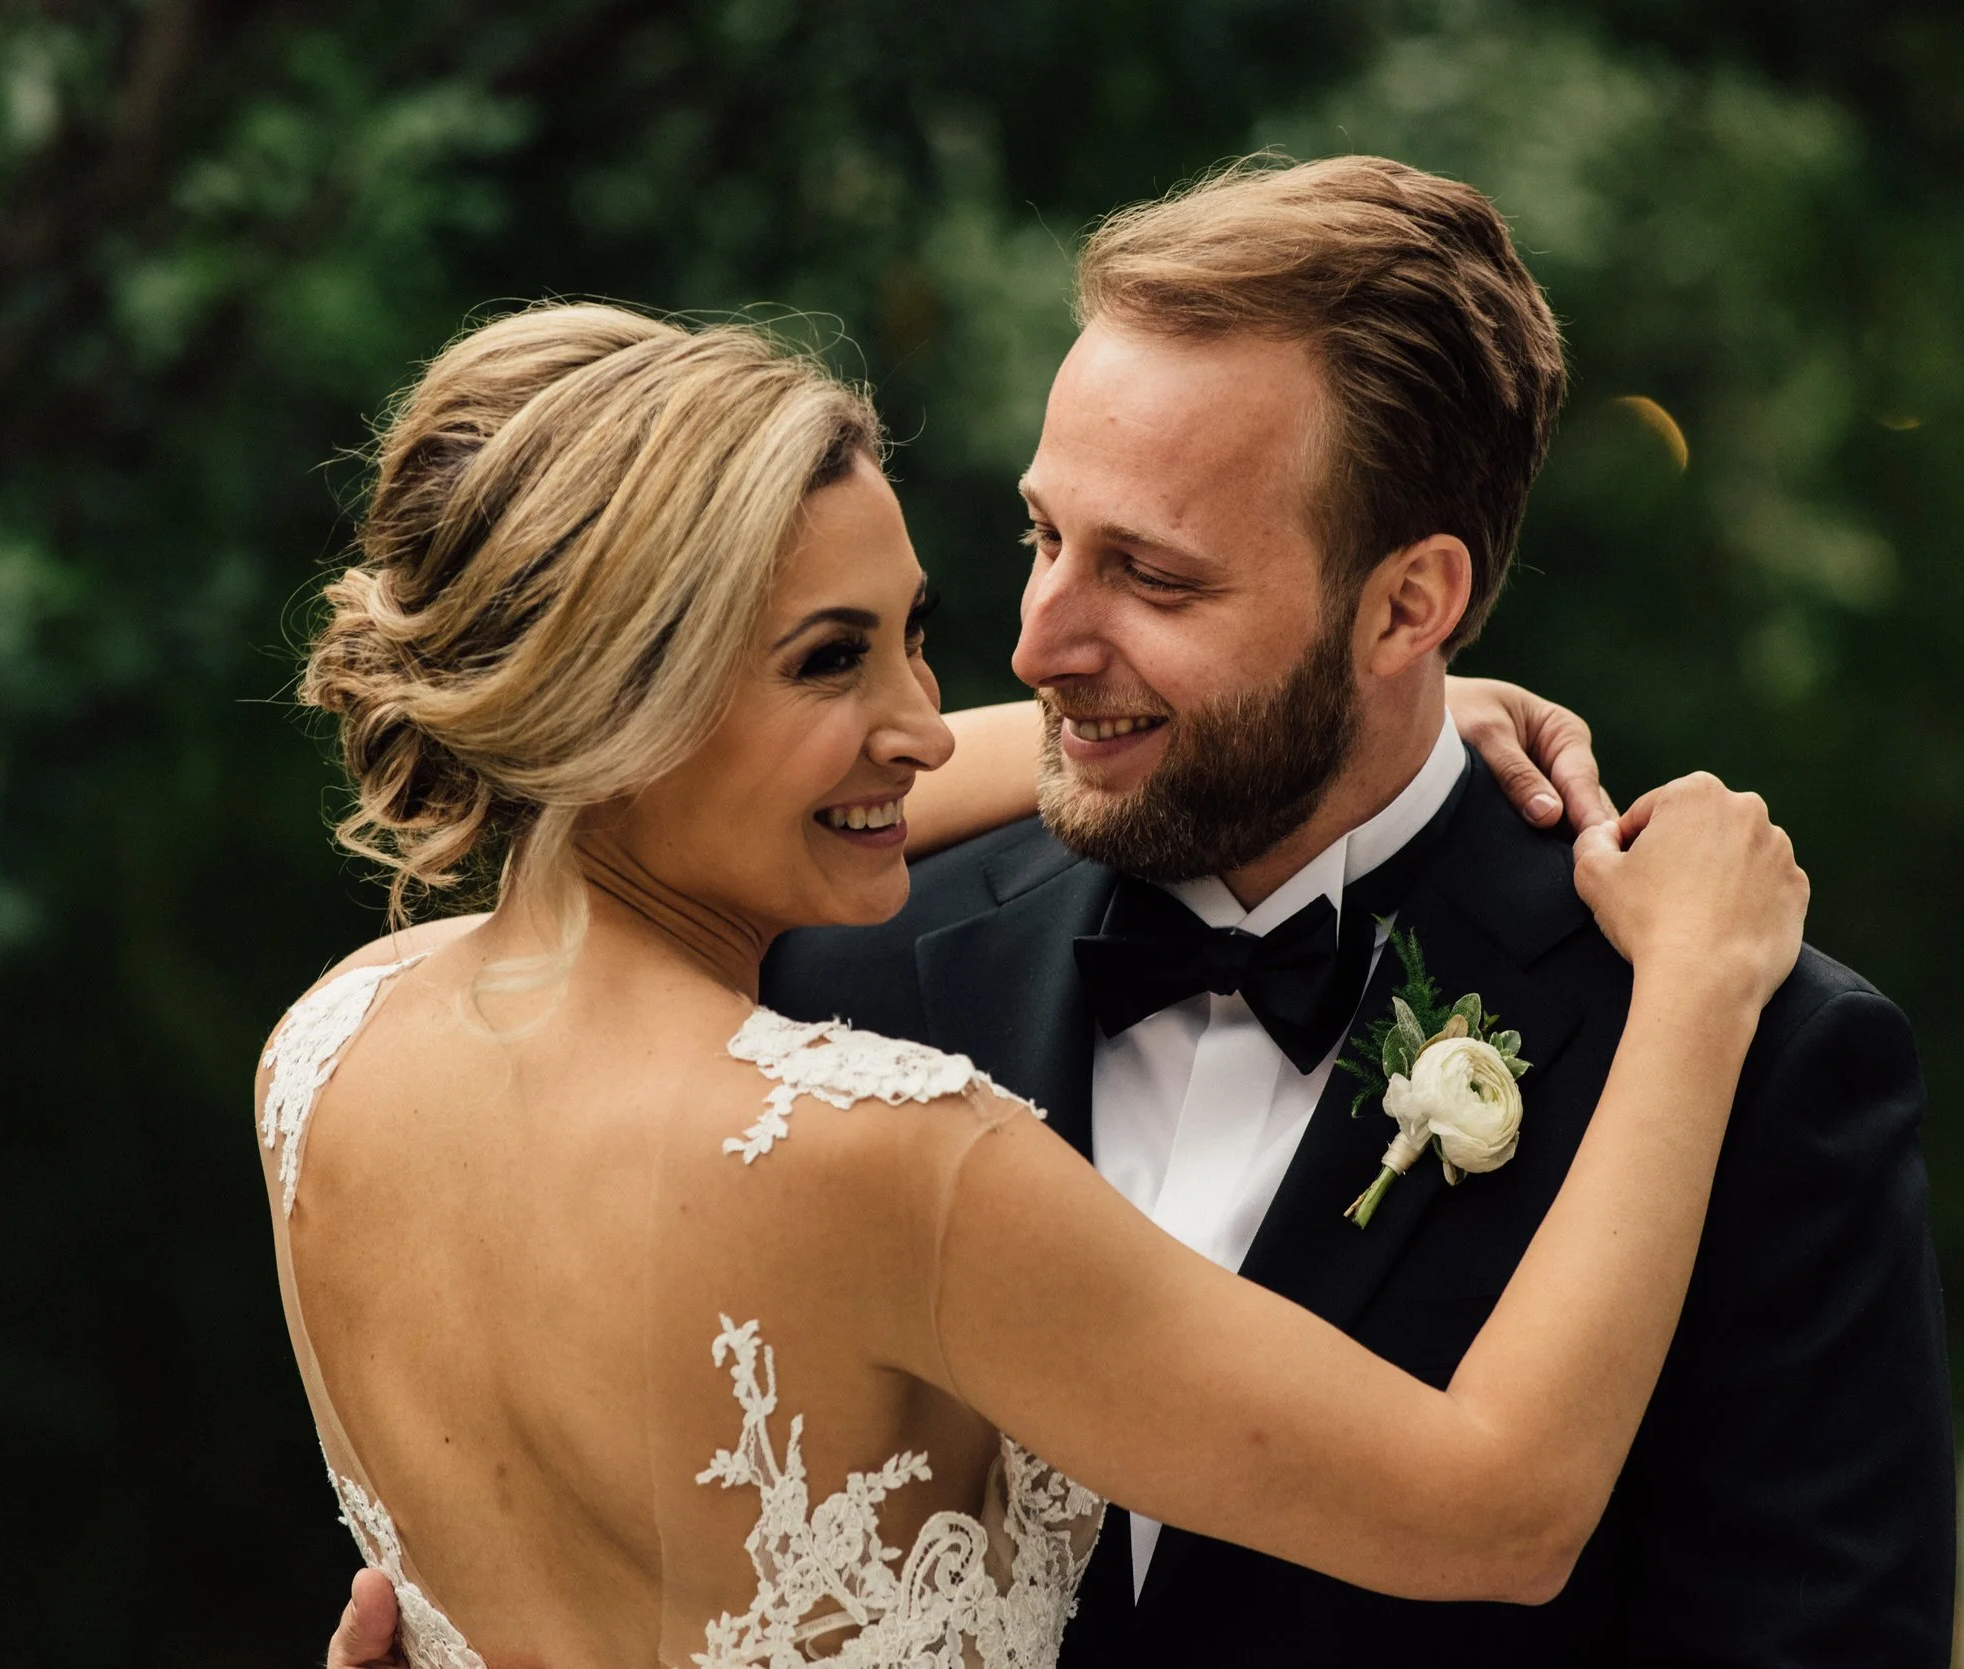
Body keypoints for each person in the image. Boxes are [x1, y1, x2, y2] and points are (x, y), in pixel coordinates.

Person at [265, 271, 1809, 1664]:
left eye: (912, 635)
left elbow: (759, 799)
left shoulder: (328, 1054)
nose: (928, 724)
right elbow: (1504, 1510)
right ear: (622, 696)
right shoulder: (894, 1157)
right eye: (829, 657)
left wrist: (1372, 696)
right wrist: (1697, 985)